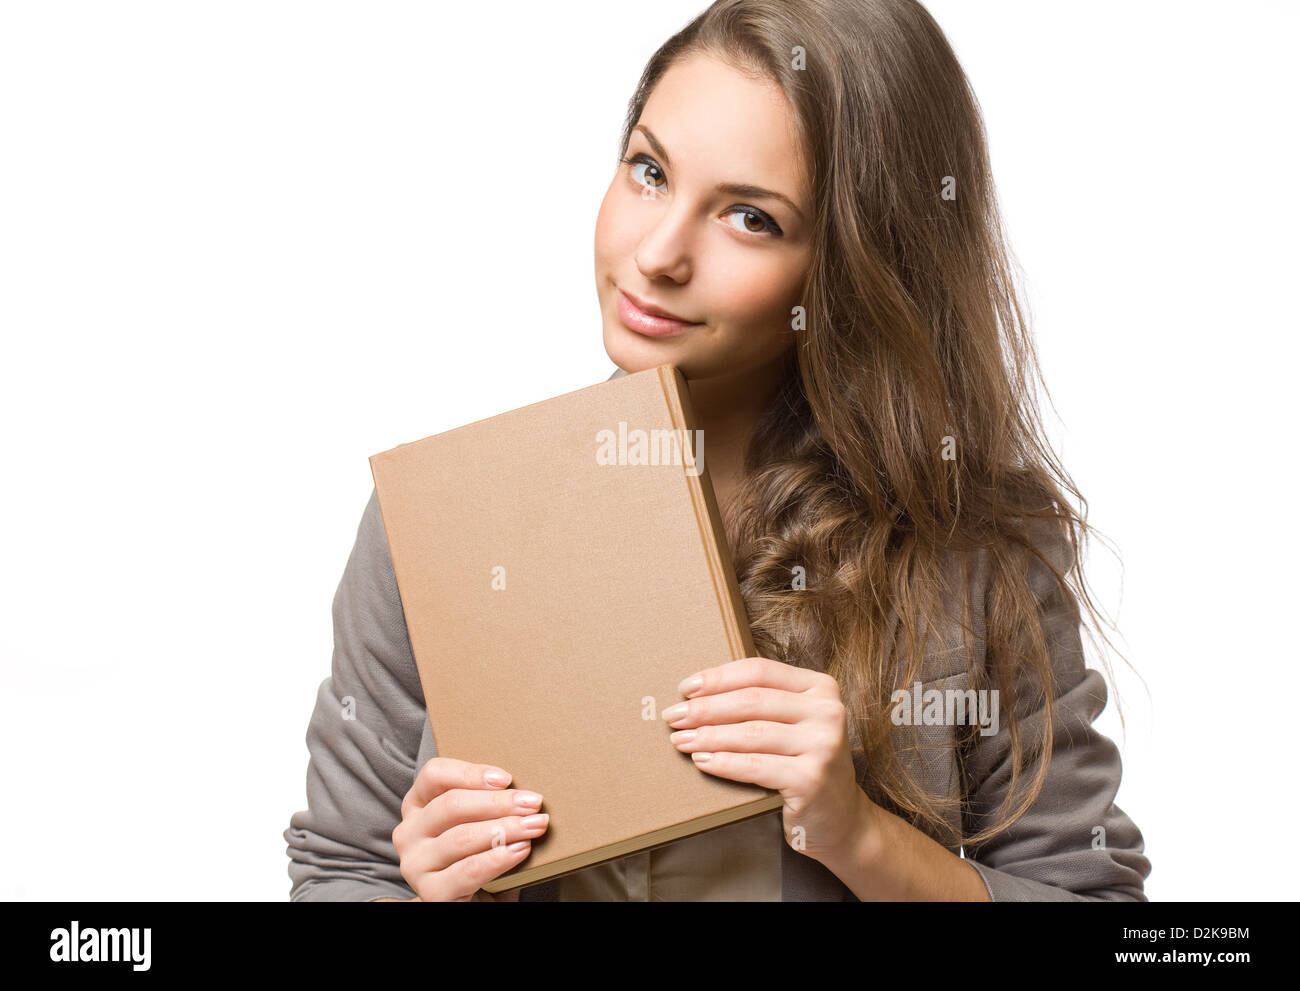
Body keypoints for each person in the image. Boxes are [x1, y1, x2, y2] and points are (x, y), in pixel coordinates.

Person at [284, 0, 1151, 902]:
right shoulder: (444, 523)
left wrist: (862, 837)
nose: (657, 253)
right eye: (649, 171)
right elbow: (342, 872)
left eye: (751, 218)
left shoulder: (969, 547)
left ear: (857, 263)